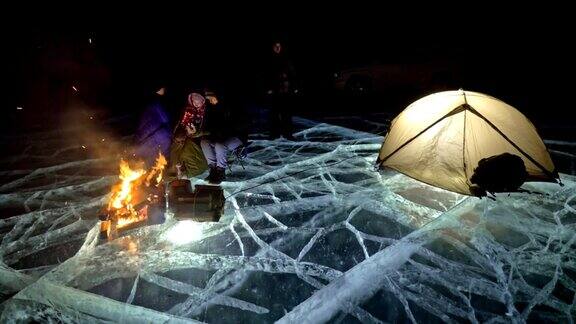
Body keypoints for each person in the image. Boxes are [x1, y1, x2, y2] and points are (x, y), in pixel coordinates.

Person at [169, 92, 208, 179]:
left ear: (203, 101)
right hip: (186, 135)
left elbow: (209, 130)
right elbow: (181, 124)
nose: (196, 104)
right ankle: (176, 168)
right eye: (194, 102)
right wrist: (184, 130)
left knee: (188, 150)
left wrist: (196, 132)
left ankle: (186, 171)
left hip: (199, 138)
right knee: (178, 142)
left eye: (198, 102)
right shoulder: (188, 110)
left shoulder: (207, 113)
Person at [266, 41, 298, 140]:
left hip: (285, 90)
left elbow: (292, 74)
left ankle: (287, 133)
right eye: (275, 46)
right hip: (275, 90)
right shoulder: (270, 59)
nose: (277, 48)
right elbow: (266, 75)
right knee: (274, 114)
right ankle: (274, 134)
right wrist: (269, 88)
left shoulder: (286, 59)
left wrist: (294, 87)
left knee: (286, 113)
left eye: (279, 46)